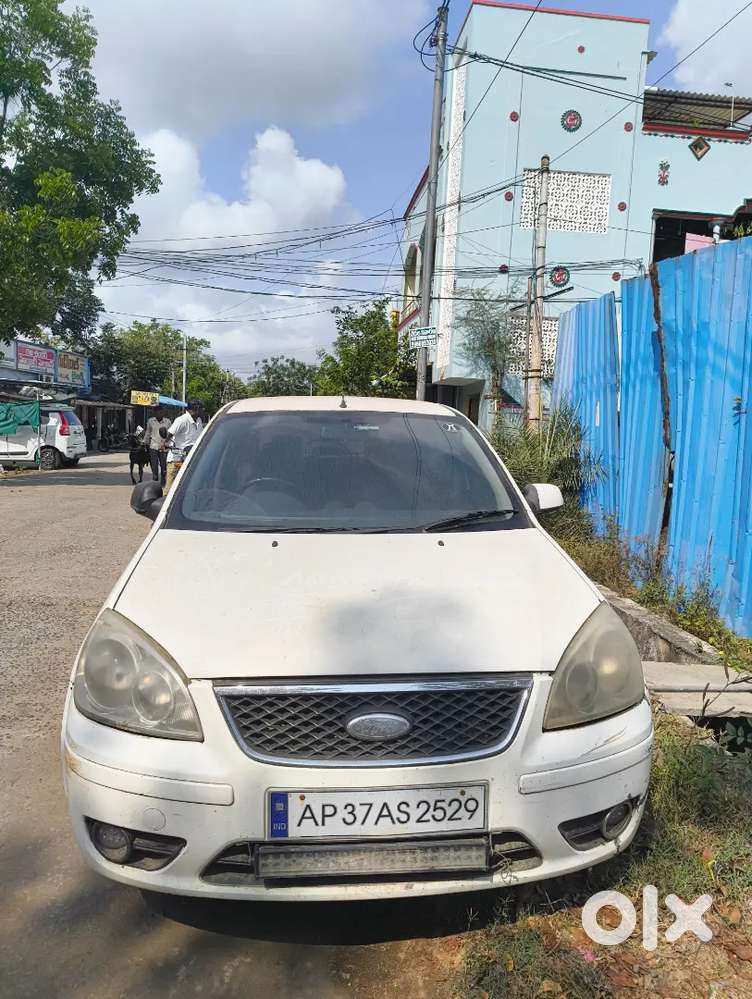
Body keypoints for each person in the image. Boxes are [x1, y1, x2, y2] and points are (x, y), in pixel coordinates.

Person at [165, 401, 201, 489]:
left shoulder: (199, 420)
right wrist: (165, 443)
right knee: (170, 490)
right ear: (195, 410)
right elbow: (170, 433)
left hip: (190, 461)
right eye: (201, 409)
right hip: (176, 461)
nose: (203, 411)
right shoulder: (182, 420)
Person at [143, 407, 171, 486]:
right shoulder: (150, 421)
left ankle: (163, 483)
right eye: (158, 412)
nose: (160, 414)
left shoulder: (167, 422)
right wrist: (145, 443)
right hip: (153, 446)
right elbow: (148, 432)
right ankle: (155, 482)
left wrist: (168, 444)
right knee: (154, 466)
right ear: (155, 413)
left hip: (164, 448)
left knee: (164, 467)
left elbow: (171, 434)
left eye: (161, 412)